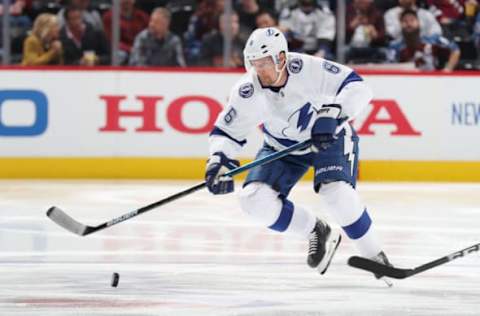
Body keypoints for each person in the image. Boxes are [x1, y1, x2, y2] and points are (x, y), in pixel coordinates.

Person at [205, 27, 391, 280]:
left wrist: (333, 113)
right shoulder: (247, 90)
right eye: (254, 64)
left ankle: (376, 258)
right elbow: (227, 132)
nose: (259, 71)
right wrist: (218, 160)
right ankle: (316, 230)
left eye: (265, 64)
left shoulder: (307, 68)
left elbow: (358, 87)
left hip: (327, 138)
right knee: (253, 201)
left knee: (335, 193)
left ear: (282, 58)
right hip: (281, 146)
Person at [388, 9, 460, 71]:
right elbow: (390, 66)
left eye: (412, 20)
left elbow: (455, 49)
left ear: (419, 22)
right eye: (405, 21)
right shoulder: (395, 46)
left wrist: (447, 70)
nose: (409, 23)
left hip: (432, 80)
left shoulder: (433, 40)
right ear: (400, 24)